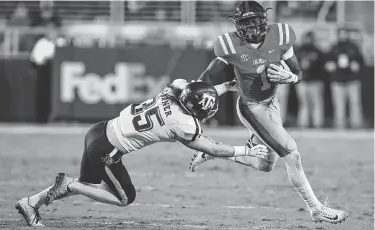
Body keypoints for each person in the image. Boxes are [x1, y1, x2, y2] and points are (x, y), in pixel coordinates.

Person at [15, 79, 268, 227]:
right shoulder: (184, 124)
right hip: (107, 150)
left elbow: (194, 91)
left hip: (99, 131)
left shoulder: (175, 90)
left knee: (89, 184)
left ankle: (31, 203)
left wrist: (224, 86)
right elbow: (212, 148)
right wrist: (245, 149)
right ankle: (70, 184)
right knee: (125, 198)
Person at [191, 1, 348, 224]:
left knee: (266, 164)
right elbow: (207, 76)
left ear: (264, 21)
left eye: (255, 22)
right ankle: (316, 208)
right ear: (238, 25)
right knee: (292, 155)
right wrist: (196, 96)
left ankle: (214, 152)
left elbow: (297, 72)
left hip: (272, 103)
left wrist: (291, 78)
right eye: (247, 23)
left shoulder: (281, 35)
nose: (252, 28)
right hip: (252, 108)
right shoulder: (229, 45)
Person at [325, 27, 364, 129]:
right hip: (338, 80)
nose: (343, 36)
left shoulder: (354, 47)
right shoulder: (333, 48)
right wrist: (330, 65)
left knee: (354, 103)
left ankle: (356, 124)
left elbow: (361, 61)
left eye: (344, 33)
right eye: (341, 34)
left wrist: (357, 65)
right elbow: (327, 63)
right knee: (339, 104)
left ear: (347, 34)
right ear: (338, 35)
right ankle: (340, 124)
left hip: (352, 79)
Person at [295, 31, 326, 128]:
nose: (308, 40)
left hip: (315, 81)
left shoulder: (318, 51)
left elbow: (323, 67)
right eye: (307, 38)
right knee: (304, 104)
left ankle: (318, 124)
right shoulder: (299, 51)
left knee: (316, 103)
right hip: (303, 81)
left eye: (310, 38)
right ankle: (303, 123)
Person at [30, 26, 58, 123]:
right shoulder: (41, 43)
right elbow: (35, 58)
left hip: (56, 72)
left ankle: (51, 117)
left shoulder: (59, 42)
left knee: (53, 95)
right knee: (42, 94)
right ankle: (41, 117)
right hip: (43, 70)